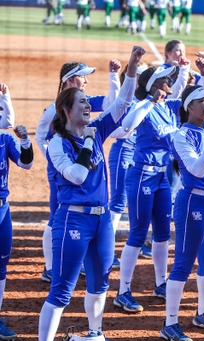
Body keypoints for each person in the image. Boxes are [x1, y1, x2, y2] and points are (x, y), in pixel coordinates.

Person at [38, 45, 146, 341]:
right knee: (61, 292)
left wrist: (132, 68)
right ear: (66, 111)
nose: (88, 106)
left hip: (101, 223)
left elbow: (122, 102)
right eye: (82, 103)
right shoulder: (58, 144)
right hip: (72, 221)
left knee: (100, 285)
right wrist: (87, 142)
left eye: (88, 102)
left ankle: (94, 334)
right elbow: (77, 175)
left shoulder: (96, 129)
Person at [35, 59, 122, 283]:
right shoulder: (52, 109)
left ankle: (81, 259)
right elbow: (39, 136)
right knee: (57, 216)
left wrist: (114, 76)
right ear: (71, 80)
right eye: (83, 76)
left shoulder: (85, 101)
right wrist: (53, 159)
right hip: (62, 169)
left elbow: (114, 102)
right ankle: (50, 266)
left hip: (84, 164)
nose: (86, 80)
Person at [115, 64, 182, 313]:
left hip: (162, 177)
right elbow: (128, 125)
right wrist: (150, 102)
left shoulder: (167, 107)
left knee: (163, 233)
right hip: (142, 174)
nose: (171, 81)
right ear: (154, 85)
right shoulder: (145, 106)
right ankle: (123, 291)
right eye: (166, 79)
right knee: (138, 233)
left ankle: (161, 283)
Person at [161, 86, 204, 340]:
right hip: (192, 204)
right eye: (202, 101)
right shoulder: (181, 136)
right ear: (189, 106)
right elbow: (198, 169)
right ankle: (170, 324)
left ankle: (203, 312)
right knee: (183, 264)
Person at [0, 86, 33, 341]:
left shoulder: (5, 139)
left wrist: (24, 141)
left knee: (1, 265)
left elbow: (26, 163)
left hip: (2, 209)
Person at [108, 62, 148, 268]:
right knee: (118, 201)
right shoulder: (124, 100)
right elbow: (112, 130)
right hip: (124, 151)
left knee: (135, 201)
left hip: (139, 155)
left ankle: (138, 244)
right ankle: (106, 250)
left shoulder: (146, 101)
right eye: (144, 74)